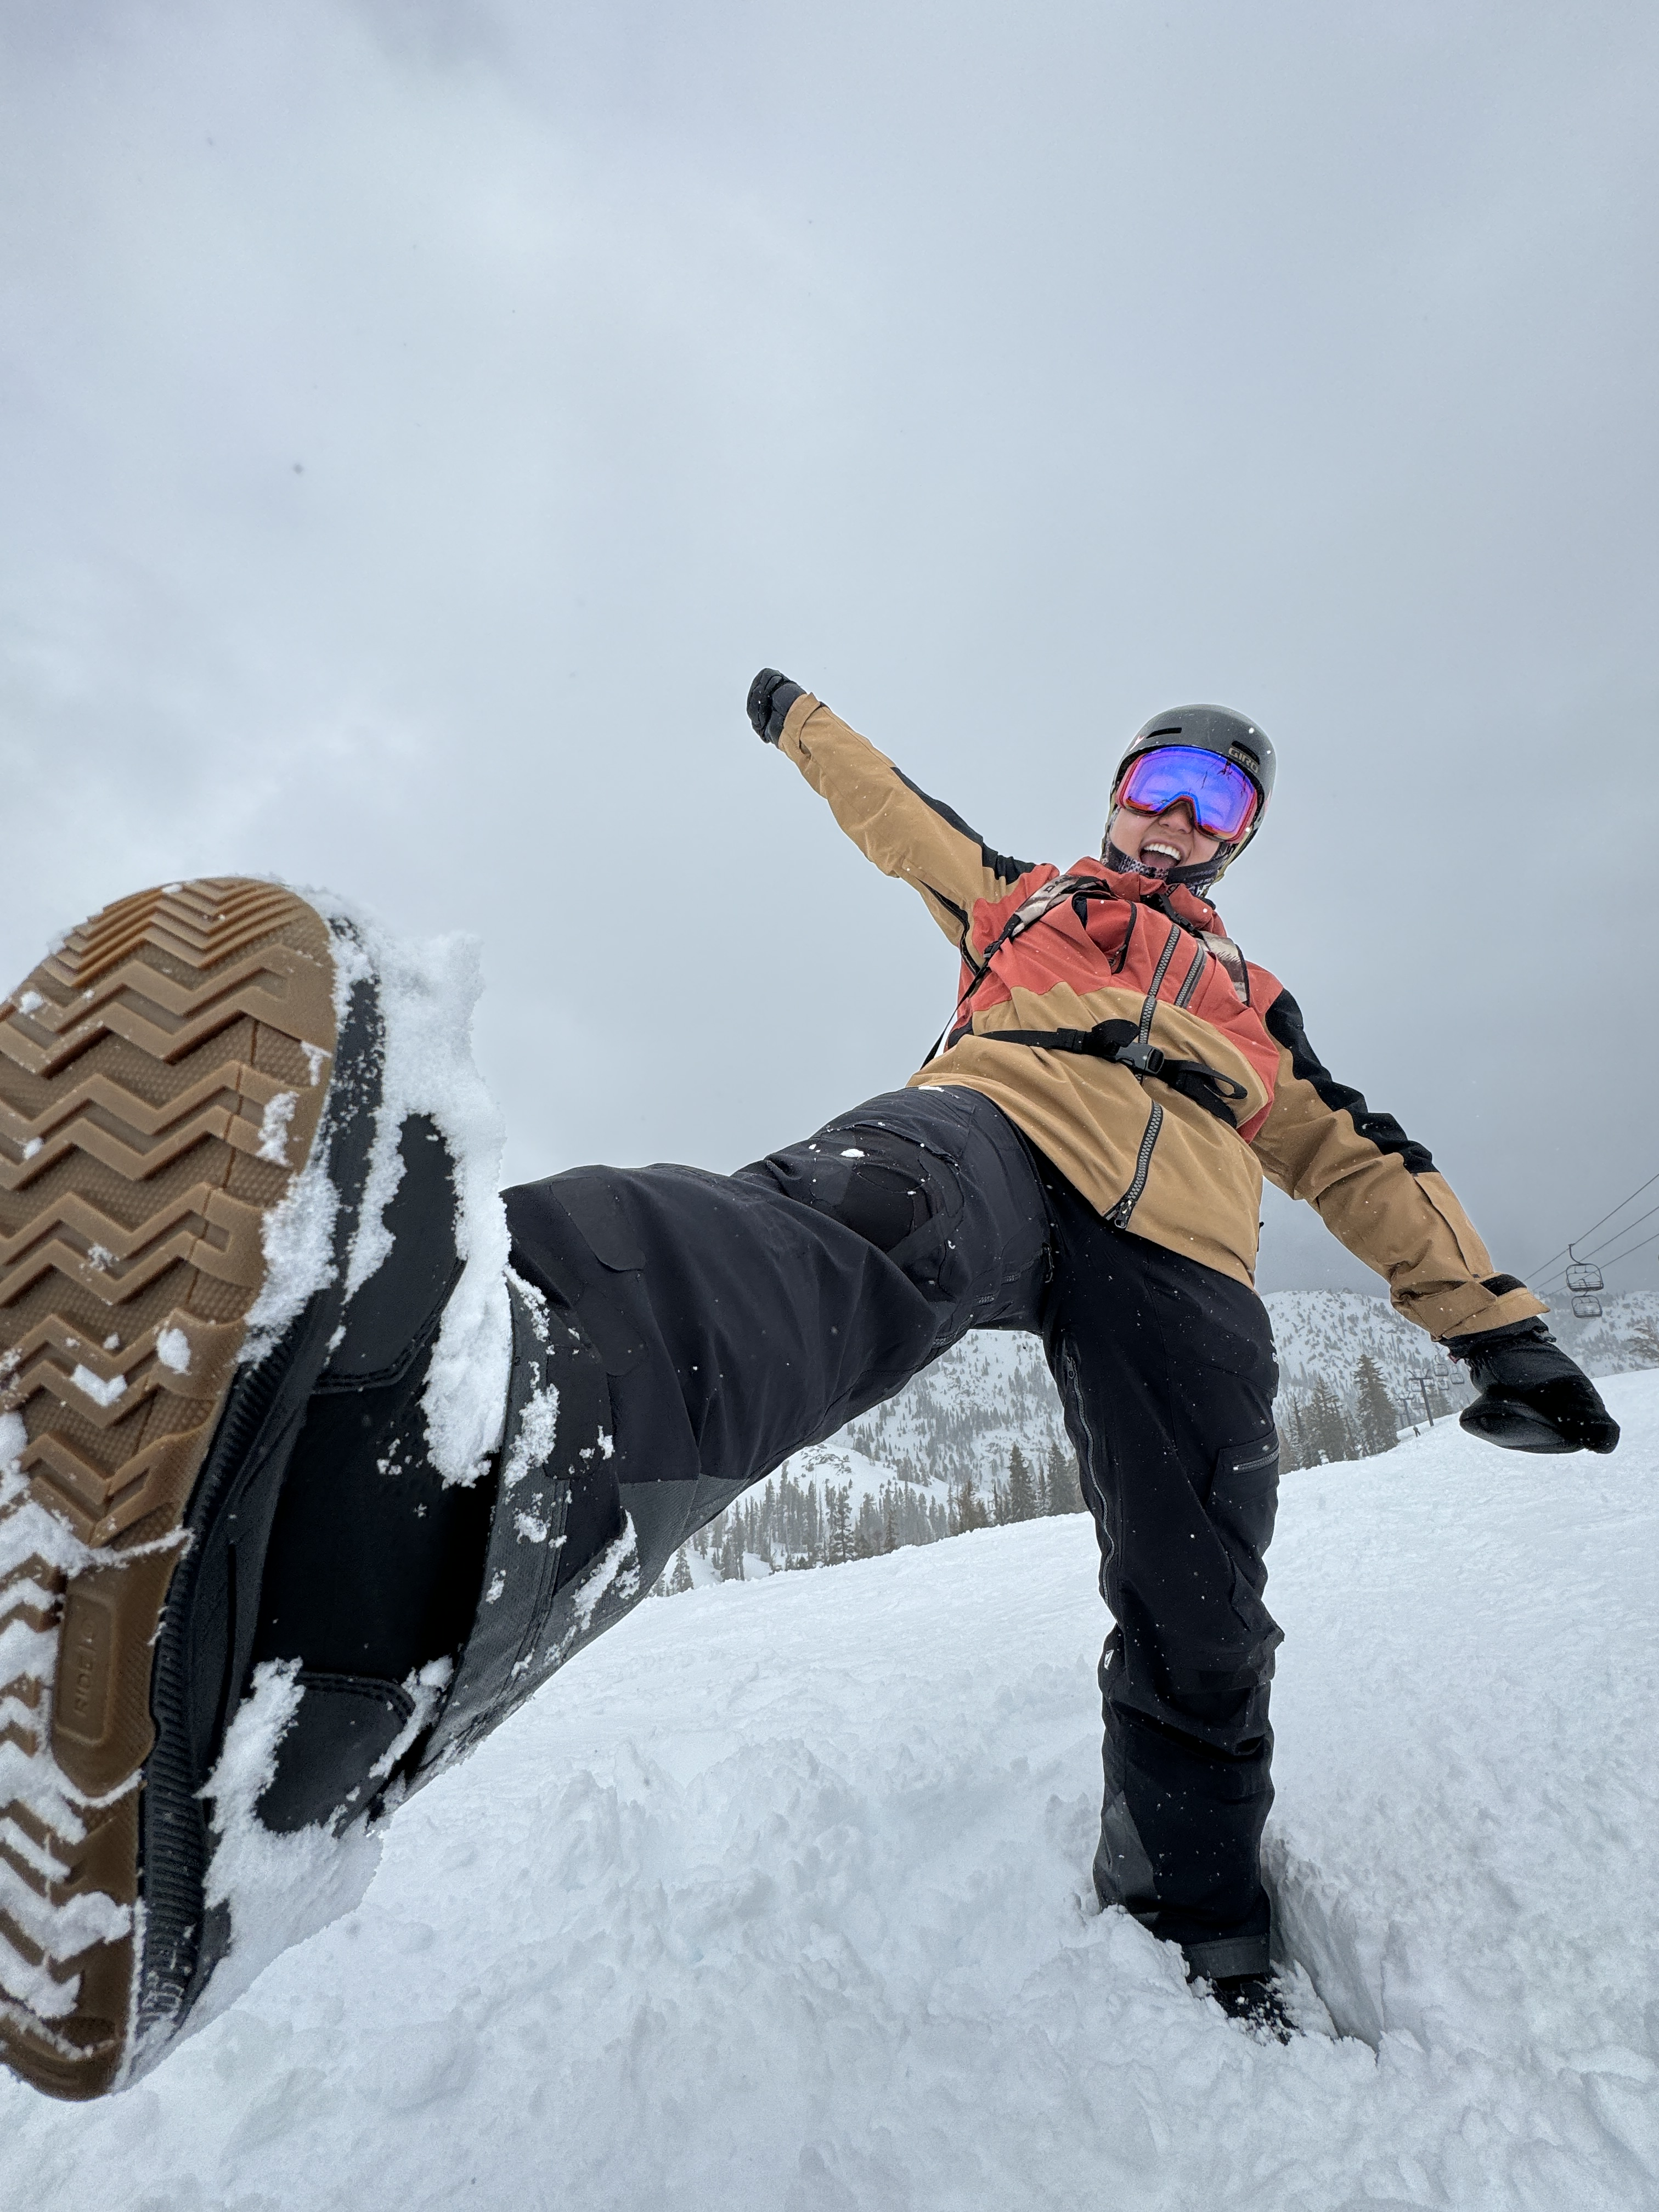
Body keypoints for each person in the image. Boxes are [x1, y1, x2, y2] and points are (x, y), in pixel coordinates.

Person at [0, 676, 1616, 2100]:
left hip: (1189, 1241)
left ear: (1239, 843)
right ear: (1119, 795)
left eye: (1221, 805)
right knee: (828, 1235)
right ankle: (438, 1438)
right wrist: (800, 723)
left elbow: (1372, 1171)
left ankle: (1194, 1903)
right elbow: (902, 820)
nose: (1180, 822)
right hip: (998, 1119)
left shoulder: (1258, 1012)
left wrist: (1503, 1332)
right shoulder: (1027, 903)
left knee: (1205, 1592)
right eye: (1161, 785)